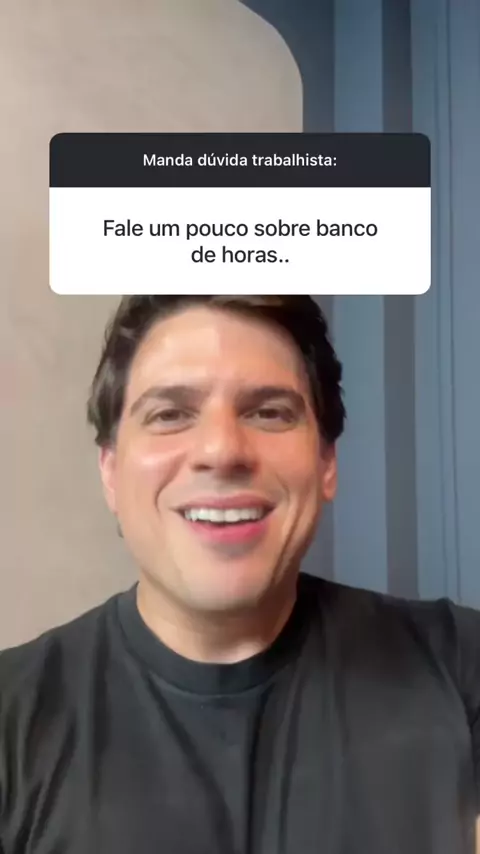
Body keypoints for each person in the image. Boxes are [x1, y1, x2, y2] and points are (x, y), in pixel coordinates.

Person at [0, 295, 479, 854]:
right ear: (110, 471)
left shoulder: (462, 668)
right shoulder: (12, 715)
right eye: (170, 414)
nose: (222, 450)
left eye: (269, 412)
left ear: (326, 463)